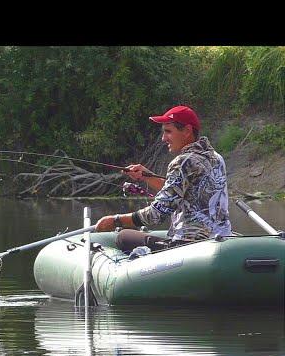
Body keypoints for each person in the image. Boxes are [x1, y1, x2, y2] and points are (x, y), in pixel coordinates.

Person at [95, 105, 232, 252]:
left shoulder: (182, 162)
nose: (163, 138)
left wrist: (115, 220)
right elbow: (183, 194)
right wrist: (147, 176)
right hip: (222, 240)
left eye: (168, 132)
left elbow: (156, 214)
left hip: (190, 245)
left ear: (187, 131)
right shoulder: (216, 158)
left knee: (123, 237)